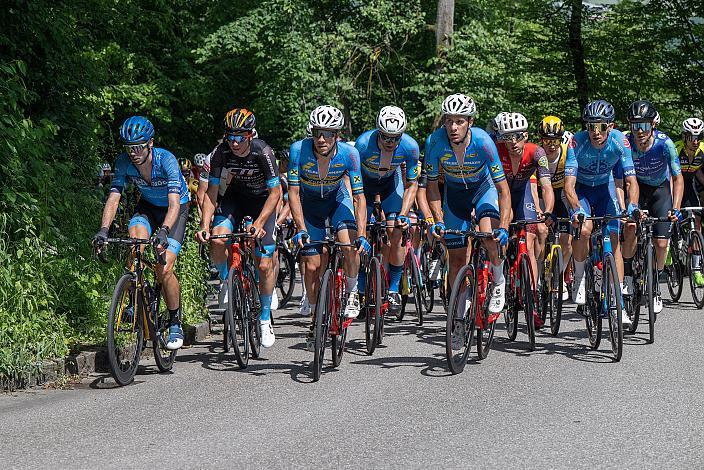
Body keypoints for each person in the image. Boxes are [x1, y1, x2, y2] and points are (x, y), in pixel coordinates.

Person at [93, 116, 190, 350]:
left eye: (138, 147)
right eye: (129, 148)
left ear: (151, 143)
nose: (133, 153)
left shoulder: (166, 160)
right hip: (147, 206)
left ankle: (175, 321)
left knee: (164, 267)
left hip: (174, 209)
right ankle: (133, 298)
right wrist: (104, 230)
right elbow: (114, 197)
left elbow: (175, 204)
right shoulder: (124, 162)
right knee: (135, 243)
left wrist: (165, 231)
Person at [195, 108, 282, 348]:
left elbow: (276, 192)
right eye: (230, 136)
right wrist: (204, 225)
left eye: (239, 137)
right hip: (234, 199)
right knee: (217, 239)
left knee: (264, 263)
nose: (233, 142)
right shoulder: (221, 153)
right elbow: (212, 192)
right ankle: (226, 281)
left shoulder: (262, 152)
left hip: (261, 202)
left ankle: (265, 318)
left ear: (250, 135)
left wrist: (260, 223)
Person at [424, 93, 511, 329]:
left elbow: (503, 190)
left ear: (470, 122)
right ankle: (459, 317)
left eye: (460, 121)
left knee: (488, 235)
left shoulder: (483, 142)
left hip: (483, 190)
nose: (453, 127)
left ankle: (499, 280)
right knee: (457, 260)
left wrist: (503, 226)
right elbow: (432, 188)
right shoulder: (435, 142)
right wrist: (437, 220)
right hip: (454, 197)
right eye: (449, 120)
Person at [288, 105, 368, 349]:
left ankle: (353, 292)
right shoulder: (298, 151)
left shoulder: (349, 154)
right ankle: (315, 318)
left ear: (337, 135)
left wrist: (362, 234)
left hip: (337, 202)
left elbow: (359, 197)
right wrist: (300, 228)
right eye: (317, 132)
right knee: (312, 267)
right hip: (310, 207)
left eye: (328, 133)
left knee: (349, 244)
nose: (321, 139)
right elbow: (293, 192)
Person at [564, 100, 639, 325]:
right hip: (582, 191)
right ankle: (579, 277)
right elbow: (568, 186)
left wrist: (632, 205)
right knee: (584, 229)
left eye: (601, 127)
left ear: (612, 126)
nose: (596, 133)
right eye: (591, 127)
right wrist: (577, 209)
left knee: (613, 239)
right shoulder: (576, 143)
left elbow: (631, 181)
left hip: (605, 190)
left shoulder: (620, 142)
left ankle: (618, 306)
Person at [354, 106, 420, 312]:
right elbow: (353, 183)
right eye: (386, 138)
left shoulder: (410, 147)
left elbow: (412, 185)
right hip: (364, 186)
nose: (391, 142)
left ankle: (393, 289)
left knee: (396, 230)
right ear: (378, 132)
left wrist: (403, 214)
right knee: (360, 234)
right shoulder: (363, 144)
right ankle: (361, 287)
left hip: (391, 185)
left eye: (395, 138)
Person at [621, 100, 683, 314]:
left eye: (645, 125)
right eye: (635, 125)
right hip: (636, 188)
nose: (639, 131)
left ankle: (655, 284)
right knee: (629, 228)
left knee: (661, 243)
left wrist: (675, 208)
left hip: (659, 190)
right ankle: (628, 276)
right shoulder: (626, 142)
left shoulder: (665, 143)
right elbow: (620, 179)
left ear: (653, 125)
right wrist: (624, 206)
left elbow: (677, 178)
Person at [495, 112, 555, 325]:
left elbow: (546, 186)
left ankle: (533, 295)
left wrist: (547, 211)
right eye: (507, 137)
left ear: (526, 135)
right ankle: (498, 278)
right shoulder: (495, 150)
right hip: (499, 195)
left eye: (518, 136)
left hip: (522, 195)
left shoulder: (537, 152)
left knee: (528, 240)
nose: (513, 142)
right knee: (497, 233)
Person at [537, 116, 575, 300]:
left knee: (567, 241)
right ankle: (536, 274)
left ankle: (558, 277)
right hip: (540, 192)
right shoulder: (537, 153)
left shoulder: (568, 152)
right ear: (540, 139)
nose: (551, 145)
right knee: (540, 231)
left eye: (555, 140)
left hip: (561, 192)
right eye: (547, 140)